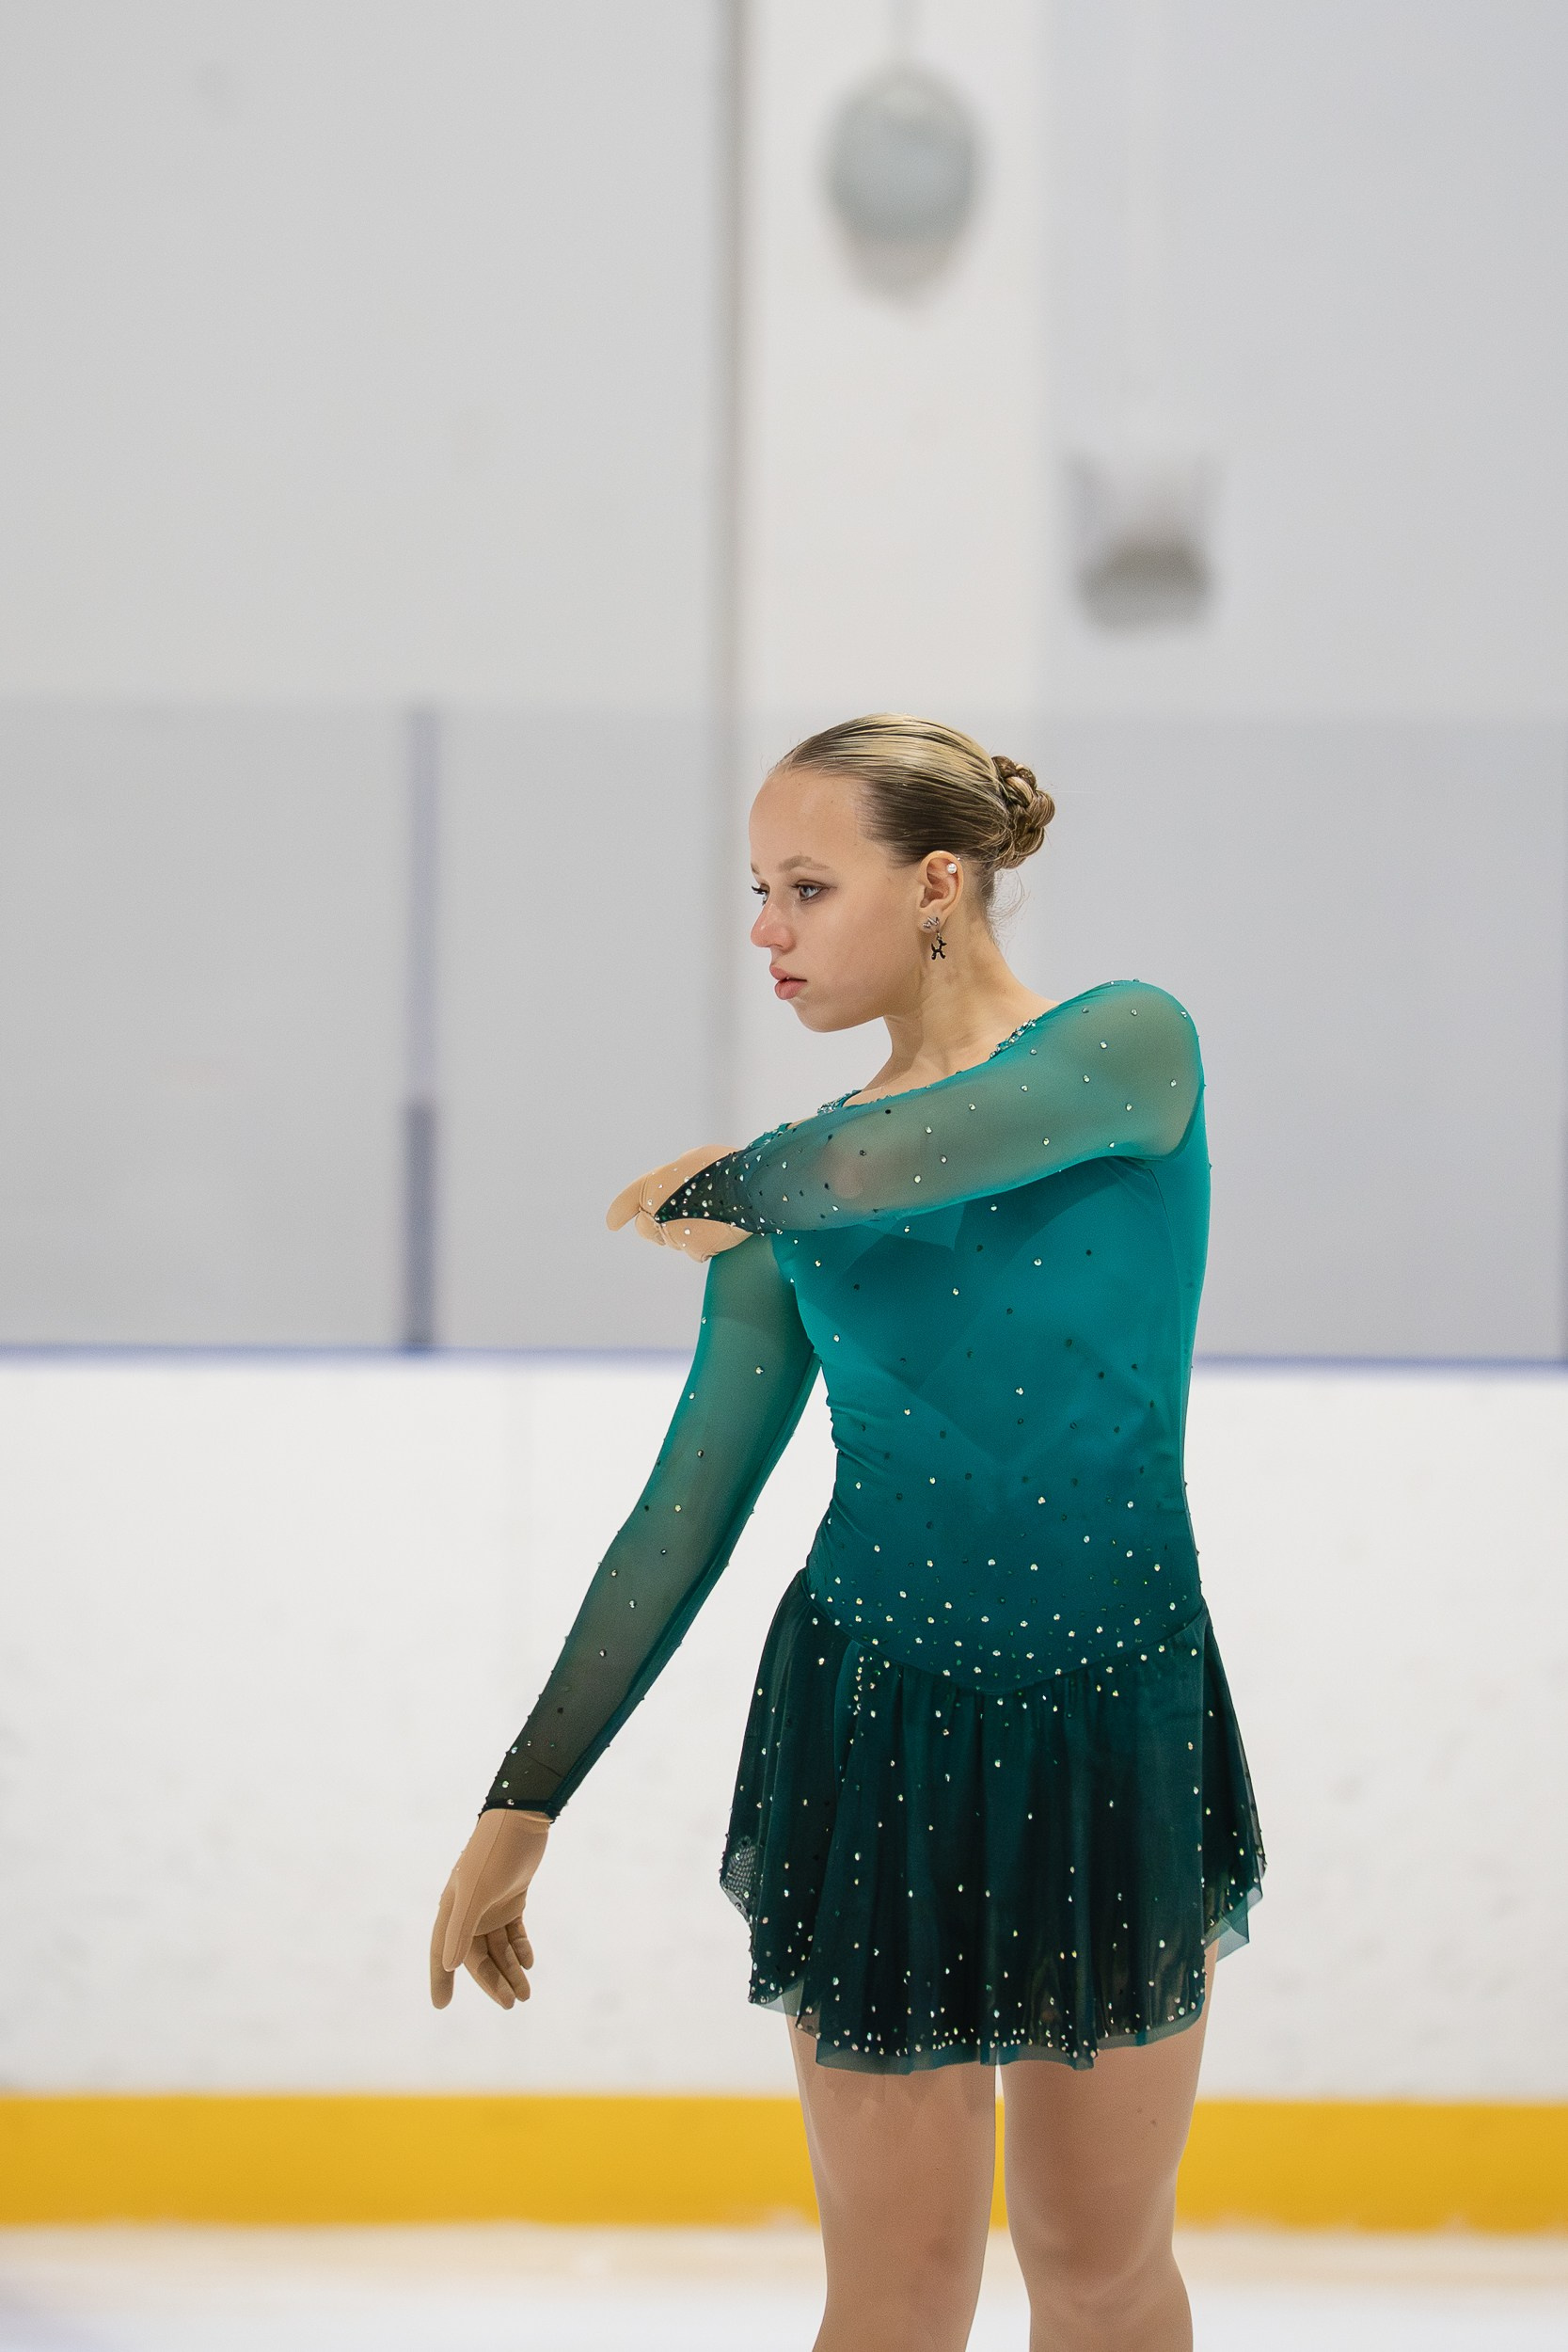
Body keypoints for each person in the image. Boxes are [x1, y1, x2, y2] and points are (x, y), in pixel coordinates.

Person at [429, 713, 1264, 2352]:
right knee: (894, 2290)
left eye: (807, 887)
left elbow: (914, 1151)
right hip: (876, 1721)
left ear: (940, 883)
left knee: (1100, 2266)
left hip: (1119, 1714)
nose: (767, 931)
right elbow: (685, 1515)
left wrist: (737, 1177)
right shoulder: (791, 1212)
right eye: (760, 888)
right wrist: (523, 1799)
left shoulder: (1126, 1049)